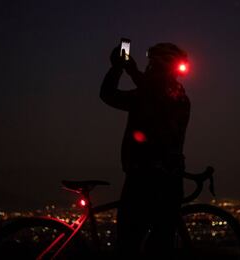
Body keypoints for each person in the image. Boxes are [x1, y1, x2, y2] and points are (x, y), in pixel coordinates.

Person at [100, 42, 191, 257]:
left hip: (144, 179)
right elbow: (149, 92)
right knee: (159, 243)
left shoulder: (156, 96)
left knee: (129, 244)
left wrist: (121, 68)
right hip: (168, 179)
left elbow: (109, 94)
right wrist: (125, 69)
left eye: (153, 65)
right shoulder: (179, 97)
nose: (149, 69)